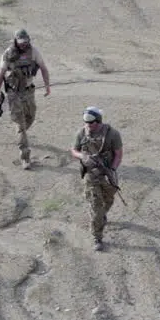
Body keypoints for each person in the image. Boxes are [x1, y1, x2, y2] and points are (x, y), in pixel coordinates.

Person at [0, 29, 51, 169]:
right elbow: (1, 74)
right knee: (20, 125)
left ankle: (22, 133)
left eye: (25, 42)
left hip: (29, 91)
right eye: (21, 43)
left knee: (30, 117)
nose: (24, 45)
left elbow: (43, 68)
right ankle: (25, 157)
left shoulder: (33, 52)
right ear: (16, 41)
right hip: (14, 93)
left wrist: (47, 85)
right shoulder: (8, 54)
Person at [69, 106, 122, 251]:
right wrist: (83, 156)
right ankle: (97, 236)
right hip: (90, 175)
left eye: (91, 123)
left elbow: (118, 154)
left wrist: (112, 169)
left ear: (98, 121)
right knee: (96, 206)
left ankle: (101, 217)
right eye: (86, 122)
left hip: (107, 175)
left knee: (109, 200)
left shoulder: (112, 134)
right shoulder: (82, 133)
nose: (88, 125)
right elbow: (74, 150)